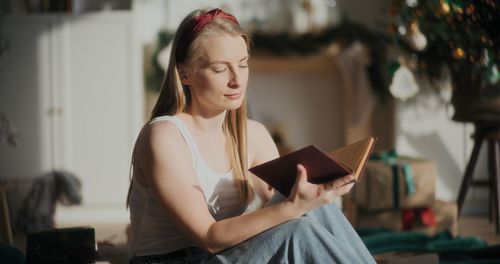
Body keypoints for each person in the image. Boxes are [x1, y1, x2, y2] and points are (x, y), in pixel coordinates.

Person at [127, 8, 375, 264]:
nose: (237, 80)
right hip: (175, 260)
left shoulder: (252, 135)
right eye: (220, 69)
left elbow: (283, 204)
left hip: (224, 256)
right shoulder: (165, 136)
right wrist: (293, 206)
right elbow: (209, 237)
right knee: (298, 230)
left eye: (243, 64)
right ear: (184, 74)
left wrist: (316, 193)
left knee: (316, 208)